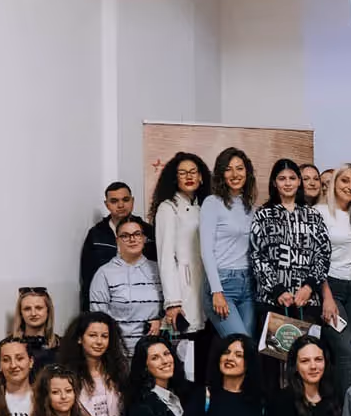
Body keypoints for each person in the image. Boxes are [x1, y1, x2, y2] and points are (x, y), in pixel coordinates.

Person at [250, 157, 331, 328]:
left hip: (308, 301)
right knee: (277, 346)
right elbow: (257, 256)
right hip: (272, 300)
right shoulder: (263, 215)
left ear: (299, 181)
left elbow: (324, 254)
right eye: (282, 178)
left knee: (308, 345)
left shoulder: (313, 215)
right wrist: (277, 289)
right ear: (274, 183)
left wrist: (309, 287)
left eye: (292, 178)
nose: (287, 183)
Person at [150, 151, 210, 377]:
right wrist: (172, 302)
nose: (189, 176)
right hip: (183, 292)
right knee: (187, 365)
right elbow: (165, 258)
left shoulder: (206, 207)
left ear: (201, 177)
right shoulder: (168, 208)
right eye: (183, 173)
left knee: (206, 359)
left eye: (193, 172)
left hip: (206, 289)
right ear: (174, 178)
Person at [201, 147, 258, 339]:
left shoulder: (251, 207)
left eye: (239, 168)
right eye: (228, 169)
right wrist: (216, 291)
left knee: (248, 347)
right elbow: (206, 251)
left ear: (247, 172)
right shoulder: (212, 203)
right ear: (221, 174)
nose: (235, 174)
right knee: (238, 344)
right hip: (223, 283)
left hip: (249, 284)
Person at [89, 217, 163, 355]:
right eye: (125, 236)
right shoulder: (104, 273)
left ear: (144, 238)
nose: (132, 239)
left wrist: (161, 321)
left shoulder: (159, 270)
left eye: (137, 234)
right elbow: (99, 319)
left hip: (153, 354)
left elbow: (171, 310)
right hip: (120, 354)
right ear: (117, 240)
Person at [79, 181, 156, 310]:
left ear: (132, 201)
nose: (121, 205)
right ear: (107, 204)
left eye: (125, 200)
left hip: (144, 302)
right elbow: (87, 276)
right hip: (107, 301)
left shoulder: (148, 232)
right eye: (114, 201)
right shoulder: (96, 234)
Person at [320, 163, 351, 394]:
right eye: (345, 180)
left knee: (343, 353)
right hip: (330, 287)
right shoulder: (319, 212)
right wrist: (326, 296)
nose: (350, 186)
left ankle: (334, 406)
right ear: (334, 182)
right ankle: (349, 412)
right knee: (345, 351)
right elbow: (314, 258)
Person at [0, 337, 34, 416]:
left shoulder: (44, 398)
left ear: (31, 362)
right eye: (6, 360)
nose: (13, 365)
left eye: (19, 358)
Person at [9, 286, 59, 372]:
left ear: (48, 311)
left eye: (39, 308)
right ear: (21, 313)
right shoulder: (7, 346)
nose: (33, 313)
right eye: (27, 309)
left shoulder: (62, 345)